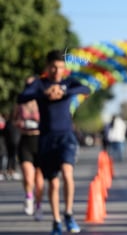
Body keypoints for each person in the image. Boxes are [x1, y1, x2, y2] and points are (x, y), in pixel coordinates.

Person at [17, 50, 91, 235]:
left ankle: (69, 214)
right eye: (53, 67)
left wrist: (64, 90)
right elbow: (22, 97)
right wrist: (44, 92)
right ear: (47, 67)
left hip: (66, 137)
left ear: (64, 69)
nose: (57, 71)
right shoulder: (39, 84)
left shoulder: (68, 82)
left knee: (67, 173)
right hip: (46, 139)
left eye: (60, 67)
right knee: (54, 183)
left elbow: (85, 89)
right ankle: (57, 221)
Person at [13, 76, 45, 220]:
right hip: (25, 140)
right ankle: (29, 197)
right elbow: (14, 120)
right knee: (27, 175)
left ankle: (39, 206)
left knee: (39, 179)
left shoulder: (42, 102)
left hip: (40, 140)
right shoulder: (20, 103)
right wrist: (20, 123)